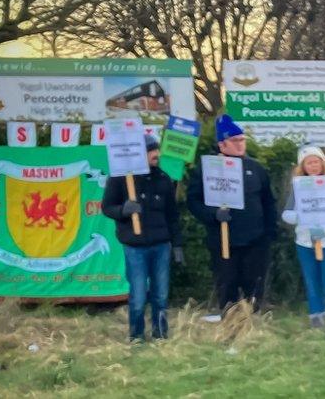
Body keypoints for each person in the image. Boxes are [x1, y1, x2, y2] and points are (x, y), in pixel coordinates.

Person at [186, 115, 277, 314]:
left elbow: (268, 202)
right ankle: (230, 323)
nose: (240, 145)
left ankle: (253, 324)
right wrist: (213, 214)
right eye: (235, 141)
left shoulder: (256, 168)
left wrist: (270, 233)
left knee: (254, 285)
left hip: (255, 241)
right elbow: (193, 201)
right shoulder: (208, 169)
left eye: (242, 140)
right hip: (224, 241)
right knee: (227, 285)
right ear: (222, 144)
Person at [102, 134, 183, 341]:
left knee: (161, 295)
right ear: (139, 154)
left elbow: (172, 216)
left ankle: (161, 335)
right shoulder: (121, 179)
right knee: (138, 296)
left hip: (161, 246)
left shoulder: (163, 179)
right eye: (150, 151)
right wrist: (123, 210)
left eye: (156, 150)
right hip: (135, 247)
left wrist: (177, 245)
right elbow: (107, 207)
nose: (156, 154)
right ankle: (136, 336)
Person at [281, 146, 325, 328]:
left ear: (323, 162)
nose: (313, 166)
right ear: (303, 166)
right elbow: (287, 213)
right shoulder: (299, 186)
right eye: (309, 162)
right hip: (305, 242)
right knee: (312, 282)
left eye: (316, 161)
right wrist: (300, 217)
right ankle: (316, 316)